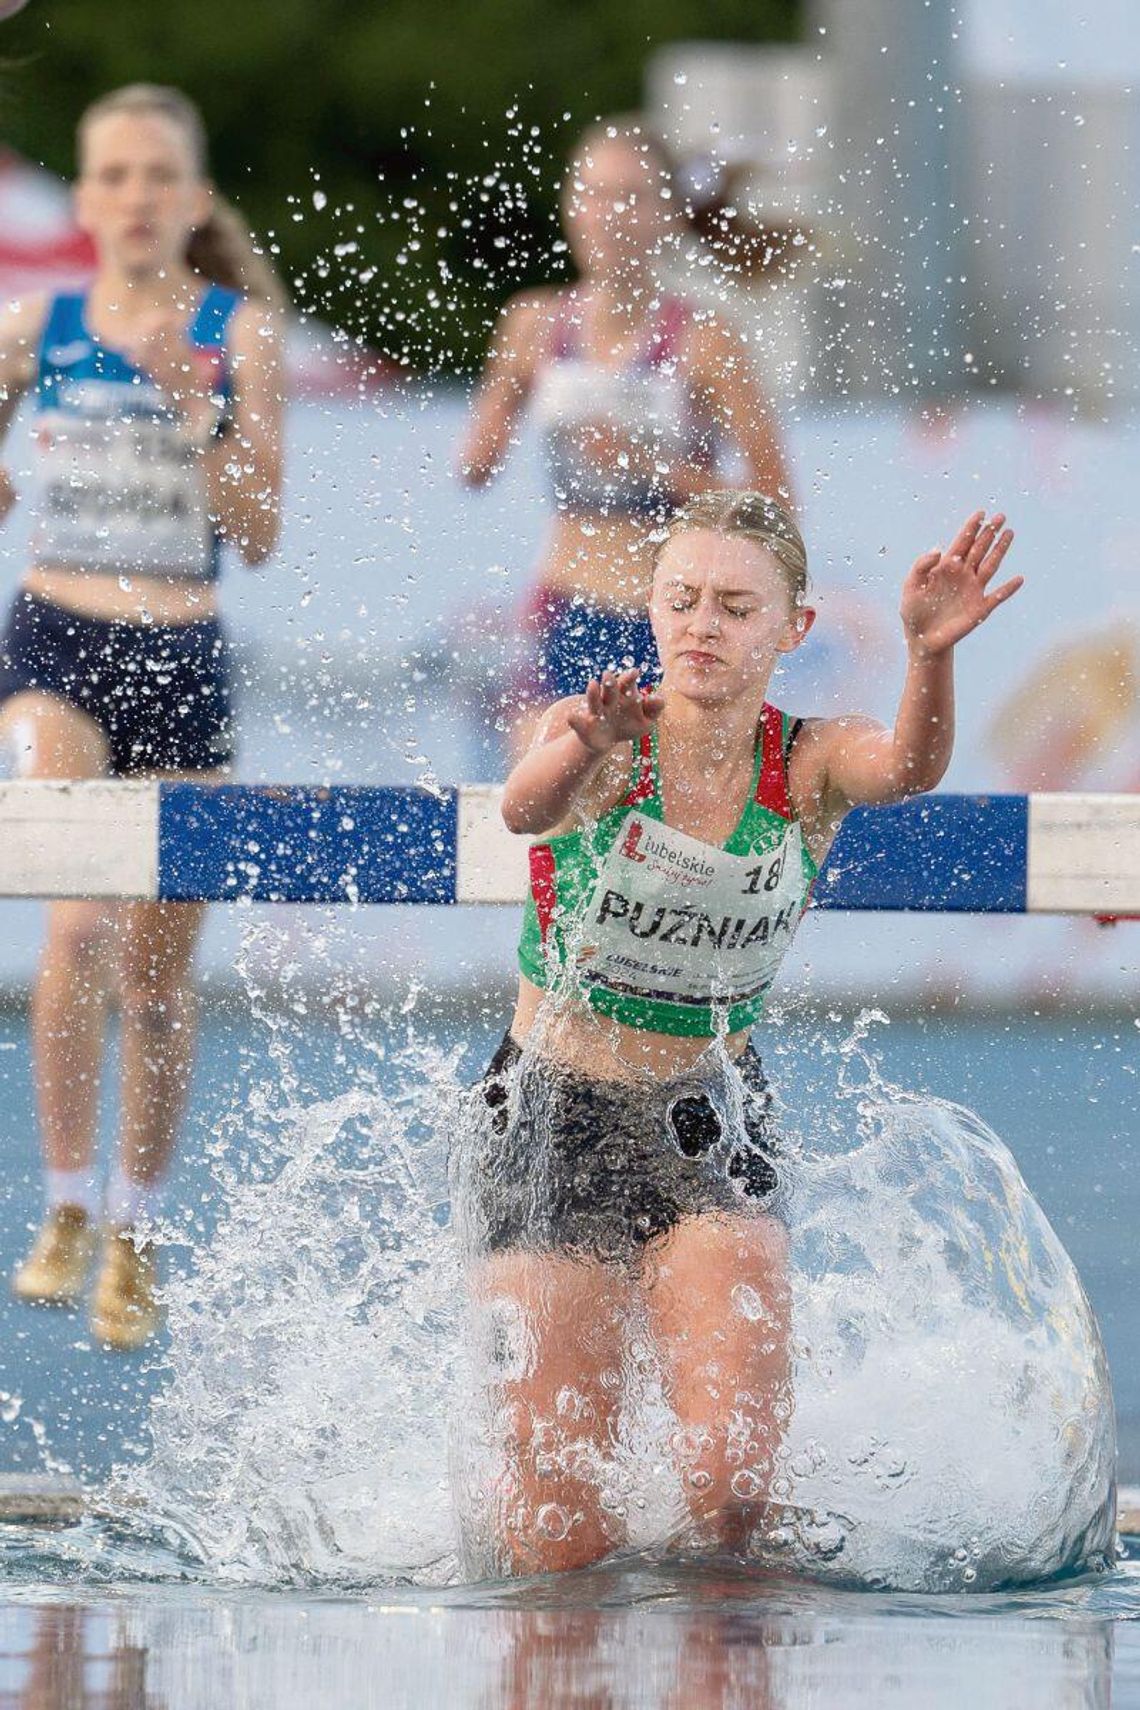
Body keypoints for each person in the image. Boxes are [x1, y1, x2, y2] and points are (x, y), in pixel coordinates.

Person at [457, 491, 1020, 1575]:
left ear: (790, 629)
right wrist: (582, 744)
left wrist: (926, 654)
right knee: (555, 1531)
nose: (703, 627)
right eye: (681, 603)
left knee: (729, 1492)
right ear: (653, 613)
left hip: (707, 1115)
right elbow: (522, 812)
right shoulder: (602, 737)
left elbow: (907, 769)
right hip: (547, 1117)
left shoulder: (808, 763)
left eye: (733, 607)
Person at [0, 84, 285, 1349]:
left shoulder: (238, 335)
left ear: (192, 199)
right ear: (85, 194)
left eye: (154, 178)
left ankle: (138, 1226)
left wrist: (194, 410)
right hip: (54, 640)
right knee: (74, 930)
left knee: (160, 982)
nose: (130, 200)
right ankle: (64, 1203)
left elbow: (265, 534)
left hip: (179, 651)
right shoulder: (36, 326)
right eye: (110, 176)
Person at [458, 118, 792, 739]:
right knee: (540, 807)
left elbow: (776, 503)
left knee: (655, 816)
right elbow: (474, 468)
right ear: (568, 208)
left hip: (670, 619)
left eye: (631, 198)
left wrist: (653, 465)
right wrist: (498, 412)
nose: (609, 216)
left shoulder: (704, 340)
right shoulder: (533, 323)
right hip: (562, 606)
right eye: (592, 194)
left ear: (668, 213)